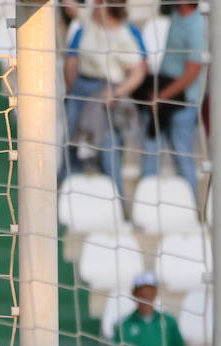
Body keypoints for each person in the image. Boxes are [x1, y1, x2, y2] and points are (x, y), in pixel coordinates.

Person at [59, 1, 148, 200]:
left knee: (108, 150)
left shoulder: (125, 35)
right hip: (80, 91)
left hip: (106, 96)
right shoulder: (89, 24)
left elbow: (138, 72)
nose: (93, 5)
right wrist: (73, 89)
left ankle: (117, 201)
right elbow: (72, 9)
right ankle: (66, 199)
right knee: (72, 146)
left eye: (98, 2)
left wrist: (116, 93)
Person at [141, 1, 205, 197]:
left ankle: (191, 204)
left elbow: (192, 72)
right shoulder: (176, 15)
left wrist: (162, 96)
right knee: (151, 150)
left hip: (182, 101)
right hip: (163, 94)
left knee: (181, 155)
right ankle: (146, 199)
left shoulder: (197, 26)